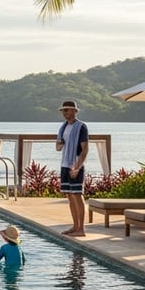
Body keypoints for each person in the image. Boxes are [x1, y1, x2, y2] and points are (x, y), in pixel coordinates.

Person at [56, 99, 89, 237]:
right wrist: (60, 143)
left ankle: (81, 229)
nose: (64, 113)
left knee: (77, 195)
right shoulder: (63, 127)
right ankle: (75, 226)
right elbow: (58, 148)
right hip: (65, 164)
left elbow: (85, 149)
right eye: (63, 110)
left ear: (74, 111)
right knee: (70, 196)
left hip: (75, 165)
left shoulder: (81, 127)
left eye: (67, 110)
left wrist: (77, 167)